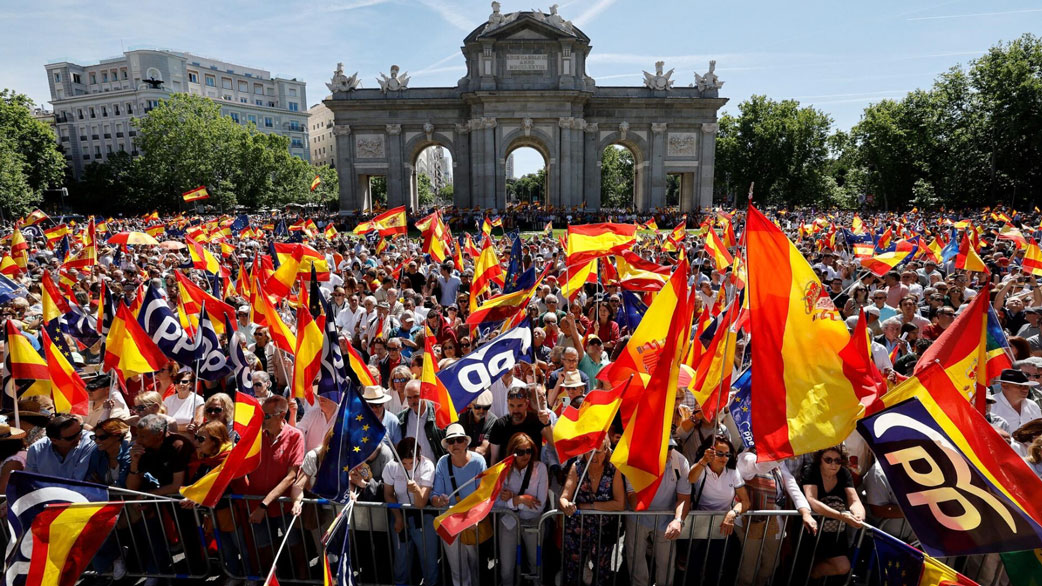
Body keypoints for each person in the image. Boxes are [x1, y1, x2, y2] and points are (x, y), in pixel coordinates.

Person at [239, 395, 306, 579]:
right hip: (256, 504)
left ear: (281, 415)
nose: (262, 420)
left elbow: (291, 476)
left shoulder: (295, 436)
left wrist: (264, 504)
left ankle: (303, 579)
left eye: (266, 416)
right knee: (264, 548)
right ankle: (271, 579)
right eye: (261, 415)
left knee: (294, 544)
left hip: (282, 505)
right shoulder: (256, 436)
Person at [558, 437, 625, 586]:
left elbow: (620, 504)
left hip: (603, 532)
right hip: (576, 531)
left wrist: (589, 506)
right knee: (572, 572)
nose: (594, 457)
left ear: (606, 450)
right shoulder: (577, 467)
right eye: (589, 452)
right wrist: (566, 505)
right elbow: (564, 498)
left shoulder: (614, 470)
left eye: (598, 452)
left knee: (602, 573)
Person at [625, 437, 691, 586]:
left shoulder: (680, 462)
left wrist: (678, 520)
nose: (668, 452)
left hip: (666, 518)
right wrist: (653, 472)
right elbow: (633, 500)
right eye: (663, 448)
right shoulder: (635, 460)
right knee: (635, 560)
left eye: (670, 448)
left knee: (666, 563)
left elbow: (684, 497)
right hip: (638, 517)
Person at [686, 435, 750, 585]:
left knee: (714, 569)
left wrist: (732, 513)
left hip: (722, 526)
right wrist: (703, 461)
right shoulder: (701, 468)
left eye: (727, 454)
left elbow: (745, 502)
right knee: (694, 568)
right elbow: (690, 478)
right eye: (719, 453)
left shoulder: (733, 472)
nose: (724, 458)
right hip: (699, 526)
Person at [431, 423, 487, 586]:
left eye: (459, 440)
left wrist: (475, 518)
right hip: (450, 522)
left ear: (466, 442)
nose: (455, 444)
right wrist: (438, 501)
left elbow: (483, 495)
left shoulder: (479, 461)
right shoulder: (442, 463)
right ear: (447, 445)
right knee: (457, 570)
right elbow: (435, 495)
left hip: (471, 522)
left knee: (475, 566)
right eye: (451, 441)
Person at [800, 445, 865, 579]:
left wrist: (859, 516)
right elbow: (812, 500)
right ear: (820, 460)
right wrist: (842, 517)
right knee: (801, 565)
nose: (833, 464)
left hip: (835, 532)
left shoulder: (844, 473)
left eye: (838, 461)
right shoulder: (811, 471)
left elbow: (854, 500)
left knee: (842, 566)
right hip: (811, 529)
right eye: (828, 460)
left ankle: (813, 576)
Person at [382, 437, 439, 586]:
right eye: (404, 463)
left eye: (411, 462)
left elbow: (421, 503)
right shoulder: (391, 466)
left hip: (423, 516)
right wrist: (398, 518)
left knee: (428, 558)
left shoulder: (427, 466)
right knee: (401, 558)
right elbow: (388, 493)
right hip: (399, 512)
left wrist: (417, 491)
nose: (407, 466)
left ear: (419, 457)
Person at [495, 432, 548, 585]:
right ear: (512, 452)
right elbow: (496, 504)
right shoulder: (502, 470)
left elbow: (539, 506)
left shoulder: (541, 469)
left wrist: (512, 500)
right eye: (520, 452)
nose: (525, 455)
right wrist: (521, 500)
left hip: (534, 523)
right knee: (506, 569)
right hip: (508, 523)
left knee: (535, 565)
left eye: (529, 451)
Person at [488, 386, 552, 463]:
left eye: (519, 406)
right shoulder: (500, 425)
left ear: (526, 404)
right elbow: (495, 457)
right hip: (508, 471)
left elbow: (553, 442)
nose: (515, 410)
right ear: (507, 404)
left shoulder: (536, 420)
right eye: (512, 405)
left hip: (533, 471)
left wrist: (547, 423)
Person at [25, 414, 97, 480]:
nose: (79, 438)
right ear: (54, 440)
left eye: (80, 432)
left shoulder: (89, 442)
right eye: (71, 438)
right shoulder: (36, 450)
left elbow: (77, 481)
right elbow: (30, 480)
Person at [399, 379, 448, 463]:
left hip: (437, 469)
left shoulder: (439, 414)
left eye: (416, 396)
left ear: (424, 394)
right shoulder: (401, 419)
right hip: (413, 471)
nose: (413, 401)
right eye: (409, 398)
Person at [460, 390, 496, 462]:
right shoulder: (461, 418)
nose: (481, 411)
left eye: (486, 407)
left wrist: (462, 451)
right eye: (477, 407)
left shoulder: (493, 421)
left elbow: (483, 451)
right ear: (471, 405)